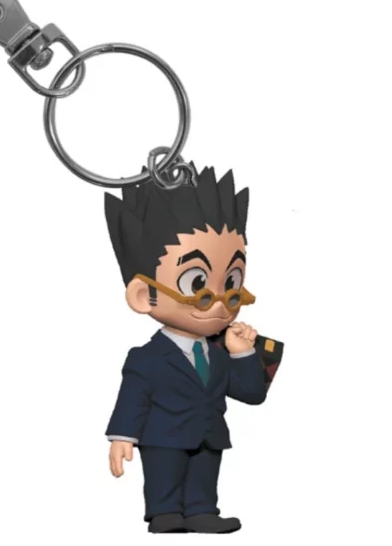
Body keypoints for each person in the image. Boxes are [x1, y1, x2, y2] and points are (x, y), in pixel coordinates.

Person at [104, 166, 283, 534]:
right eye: (197, 283)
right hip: (163, 438)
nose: (219, 301)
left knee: (203, 479)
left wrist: (242, 353)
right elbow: (133, 399)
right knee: (164, 478)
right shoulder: (145, 358)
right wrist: (122, 436)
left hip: (209, 436)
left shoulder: (220, 351)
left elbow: (252, 394)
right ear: (145, 296)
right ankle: (165, 512)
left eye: (232, 283)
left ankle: (202, 510)